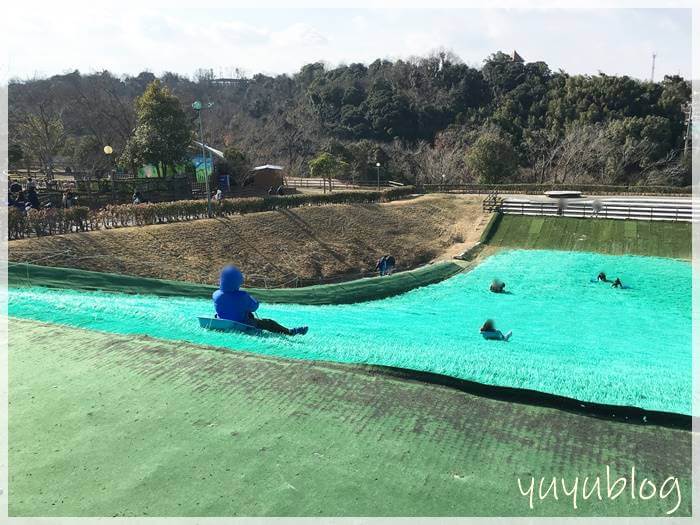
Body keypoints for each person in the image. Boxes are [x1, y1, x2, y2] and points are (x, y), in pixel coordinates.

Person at [213, 265, 308, 336]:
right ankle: (290, 332)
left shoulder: (216, 294)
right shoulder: (242, 296)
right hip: (242, 324)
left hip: (222, 321)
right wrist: (253, 299)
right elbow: (254, 307)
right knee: (269, 323)